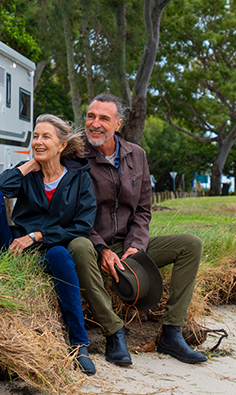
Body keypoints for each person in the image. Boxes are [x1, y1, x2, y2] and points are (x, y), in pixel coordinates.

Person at [68, 93, 207, 365]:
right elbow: (72, 211)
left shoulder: (137, 155)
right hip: (91, 243)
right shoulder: (74, 155)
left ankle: (171, 332)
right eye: (90, 116)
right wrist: (103, 249)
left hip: (127, 244)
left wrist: (137, 246)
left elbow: (143, 210)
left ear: (118, 124)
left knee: (191, 244)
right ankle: (114, 331)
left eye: (103, 118)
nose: (94, 124)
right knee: (78, 247)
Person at [0, 114, 98, 375]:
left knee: (60, 255)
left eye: (45, 137)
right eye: (35, 136)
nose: (38, 141)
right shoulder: (29, 173)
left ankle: (79, 344)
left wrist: (39, 235)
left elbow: (82, 226)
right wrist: (28, 166)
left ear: (61, 145)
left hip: (47, 249)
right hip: (13, 244)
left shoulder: (80, 178)